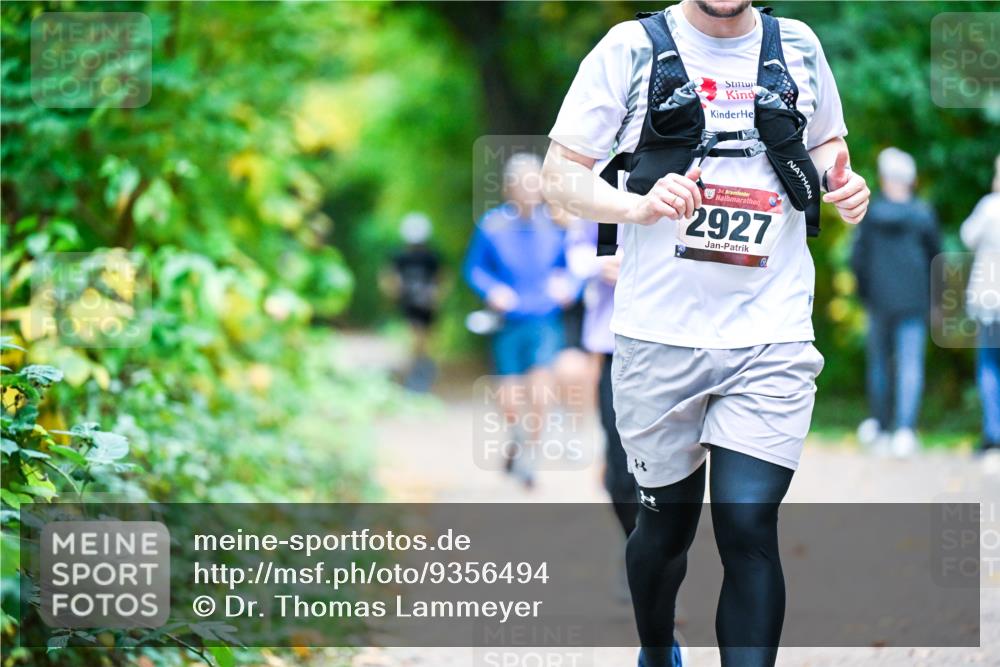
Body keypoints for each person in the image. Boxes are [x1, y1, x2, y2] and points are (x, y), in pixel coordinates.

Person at [540, 2, 869, 666]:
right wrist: (635, 205)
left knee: (749, 526)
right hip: (657, 336)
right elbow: (559, 176)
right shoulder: (629, 50)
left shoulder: (797, 46)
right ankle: (658, 647)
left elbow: (828, 142)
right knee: (664, 530)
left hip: (770, 332)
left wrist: (842, 178)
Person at [463, 153, 576, 488]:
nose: (530, 190)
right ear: (509, 188)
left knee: (541, 395)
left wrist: (567, 283)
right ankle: (517, 436)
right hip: (508, 323)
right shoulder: (492, 226)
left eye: (535, 182)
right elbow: (474, 269)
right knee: (510, 400)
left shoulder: (556, 226)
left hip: (544, 321)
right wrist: (493, 289)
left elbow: (573, 265)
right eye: (522, 183)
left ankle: (528, 459)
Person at [850, 148, 941, 457]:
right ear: (911, 180)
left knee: (879, 366)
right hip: (915, 301)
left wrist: (864, 292)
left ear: (886, 179)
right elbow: (936, 259)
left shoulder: (870, 215)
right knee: (910, 365)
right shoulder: (923, 214)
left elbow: (857, 259)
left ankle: (880, 424)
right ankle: (904, 430)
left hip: (878, 301)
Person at [565, 224, 637, 538]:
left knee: (670, 460)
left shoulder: (693, 177)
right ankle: (634, 543)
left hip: (677, 344)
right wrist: (603, 262)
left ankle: (658, 550)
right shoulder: (605, 180)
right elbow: (576, 252)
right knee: (620, 462)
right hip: (613, 346)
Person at [961, 154, 1000, 458]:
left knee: (989, 366)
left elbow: (967, 236)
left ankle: (993, 434)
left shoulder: (989, 207)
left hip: (990, 302)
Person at [383, 212, 443, 392]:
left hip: (426, 304)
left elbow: (442, 278)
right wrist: (394, 291)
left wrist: (436, 296)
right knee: (415, 337)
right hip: (409, 303)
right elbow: (389, 277)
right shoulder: (400, 256)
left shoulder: (431, 257)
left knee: (425, 338)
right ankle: (416, 372)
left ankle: (423, 370)